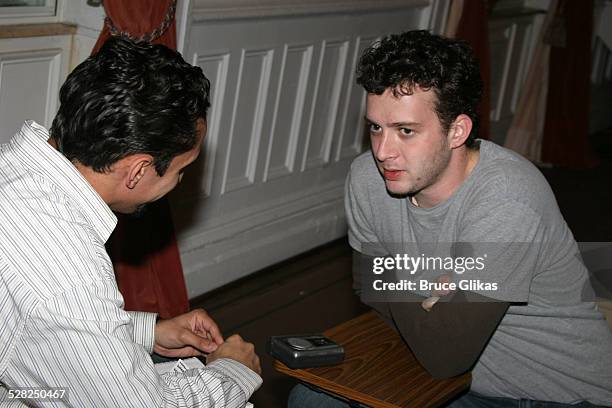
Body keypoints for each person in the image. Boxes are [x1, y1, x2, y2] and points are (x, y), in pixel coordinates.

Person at [289, 30, 612, 407]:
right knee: (311, 400)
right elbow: (367, 286)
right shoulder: (366, 179)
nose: (382, 151)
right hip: (458, 384)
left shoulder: (507, 199)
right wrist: (429, 293)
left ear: (457, 131)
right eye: (376, 126)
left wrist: (397, 274)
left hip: (556, 397)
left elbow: (445, 355)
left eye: (405, 131)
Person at [0, 37, 261, 407]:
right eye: (181, 171)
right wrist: (233, 371)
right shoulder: (68, 274)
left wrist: (147, 332)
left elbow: (36, 326)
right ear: (138, 171)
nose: (180, 183)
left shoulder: (14, 170)